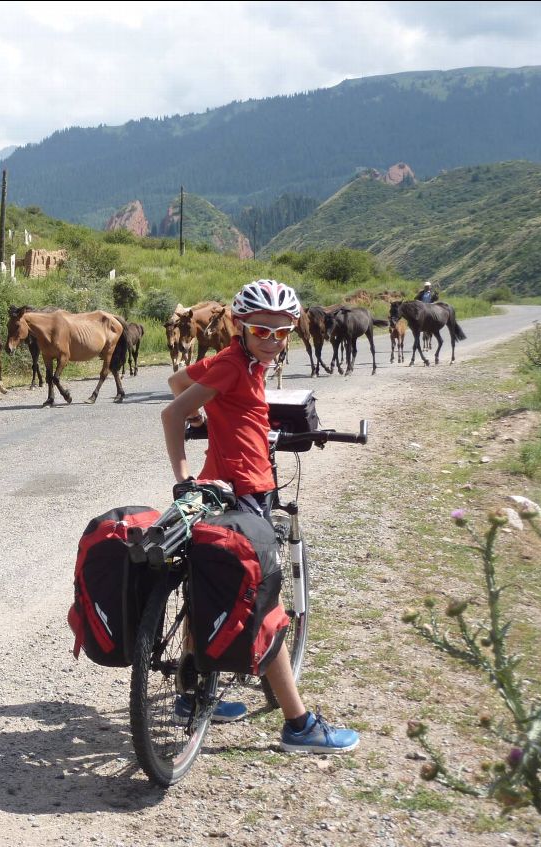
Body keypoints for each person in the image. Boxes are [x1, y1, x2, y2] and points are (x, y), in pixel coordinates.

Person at [159, 279, 359, 754]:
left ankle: (189, 695)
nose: (272, 340)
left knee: (207, 583)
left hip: (228, 485)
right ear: (239, 326)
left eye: (282, 331)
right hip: (245, 494)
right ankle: (299, 723)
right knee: (262, 601)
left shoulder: (240, 363)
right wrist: (183, 473)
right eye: (261, 331)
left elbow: (177, 381)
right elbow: (171, 411)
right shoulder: (233, 365)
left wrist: (209, 421)